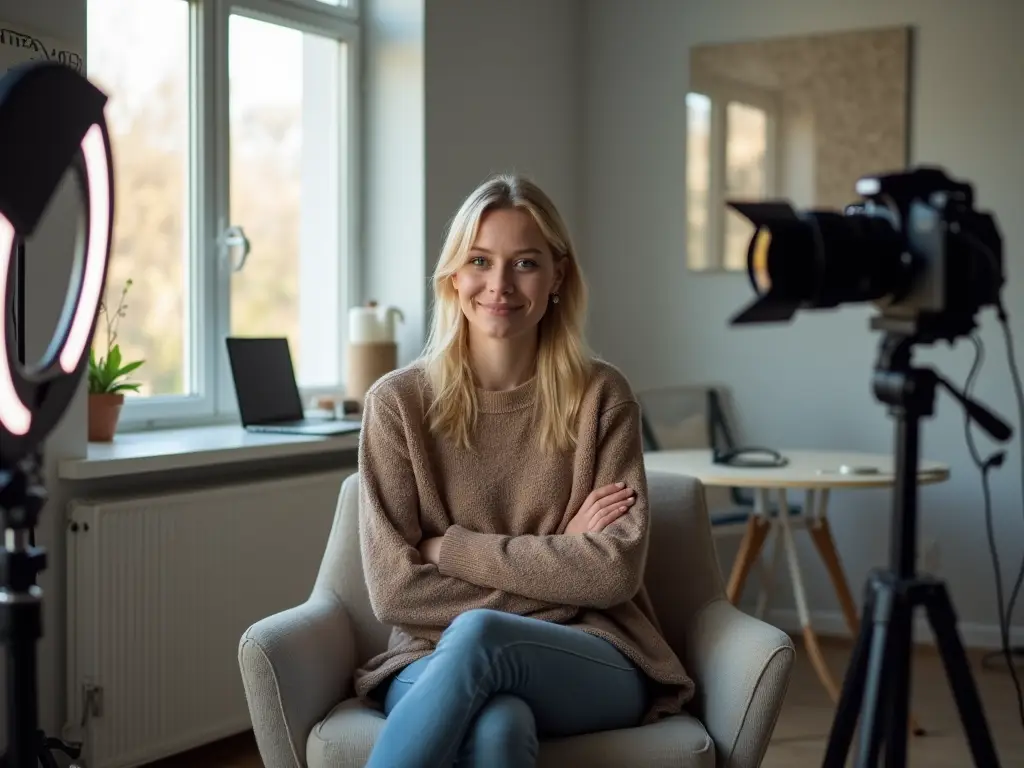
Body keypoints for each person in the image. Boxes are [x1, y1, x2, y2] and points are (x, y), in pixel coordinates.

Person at [355, 173, 693, 768]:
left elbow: (611, 575)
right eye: (480, 260)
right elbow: (395, 591)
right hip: (426, 659)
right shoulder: (397, 404)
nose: (499, 284)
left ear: (558, 275)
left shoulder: (602, 397)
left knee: (483, 636)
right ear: (453, 275)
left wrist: (448, 550)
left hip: (594, 653)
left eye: (526, 263)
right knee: (499, 725)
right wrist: (561, 552)